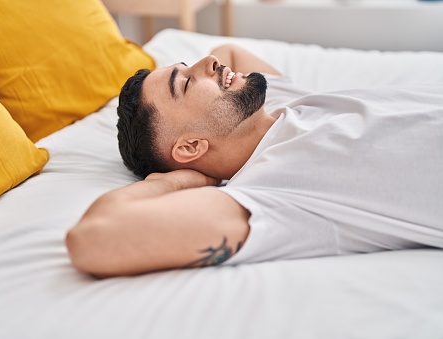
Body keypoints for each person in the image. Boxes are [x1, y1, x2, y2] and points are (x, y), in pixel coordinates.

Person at [65, 44, 443, 278]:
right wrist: (177, 180)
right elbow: (93, 239)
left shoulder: (276, 100)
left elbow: (228, 52)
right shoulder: (270, 191)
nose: (209, 62)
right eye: (185, 83)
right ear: (190, 147)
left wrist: (206, 91)